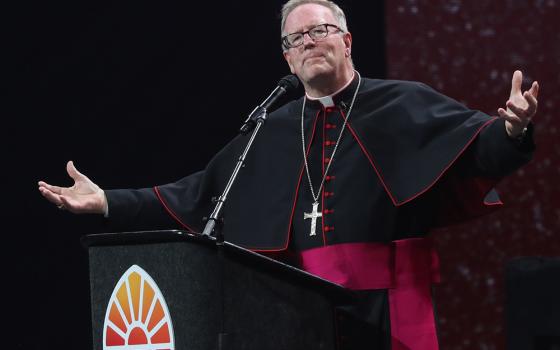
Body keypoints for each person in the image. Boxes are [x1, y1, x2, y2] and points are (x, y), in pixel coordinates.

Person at [38, 0, 539, 349]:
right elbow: (196, 196)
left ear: (346, 40)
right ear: (286, 57)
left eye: (319, 31)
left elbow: (479, 153)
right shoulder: (270, 128)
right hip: (299, 312)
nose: (308, 43)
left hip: (387, 312)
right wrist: (107, 202)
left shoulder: (403, 102)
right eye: (296, 38)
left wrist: (511, 130)